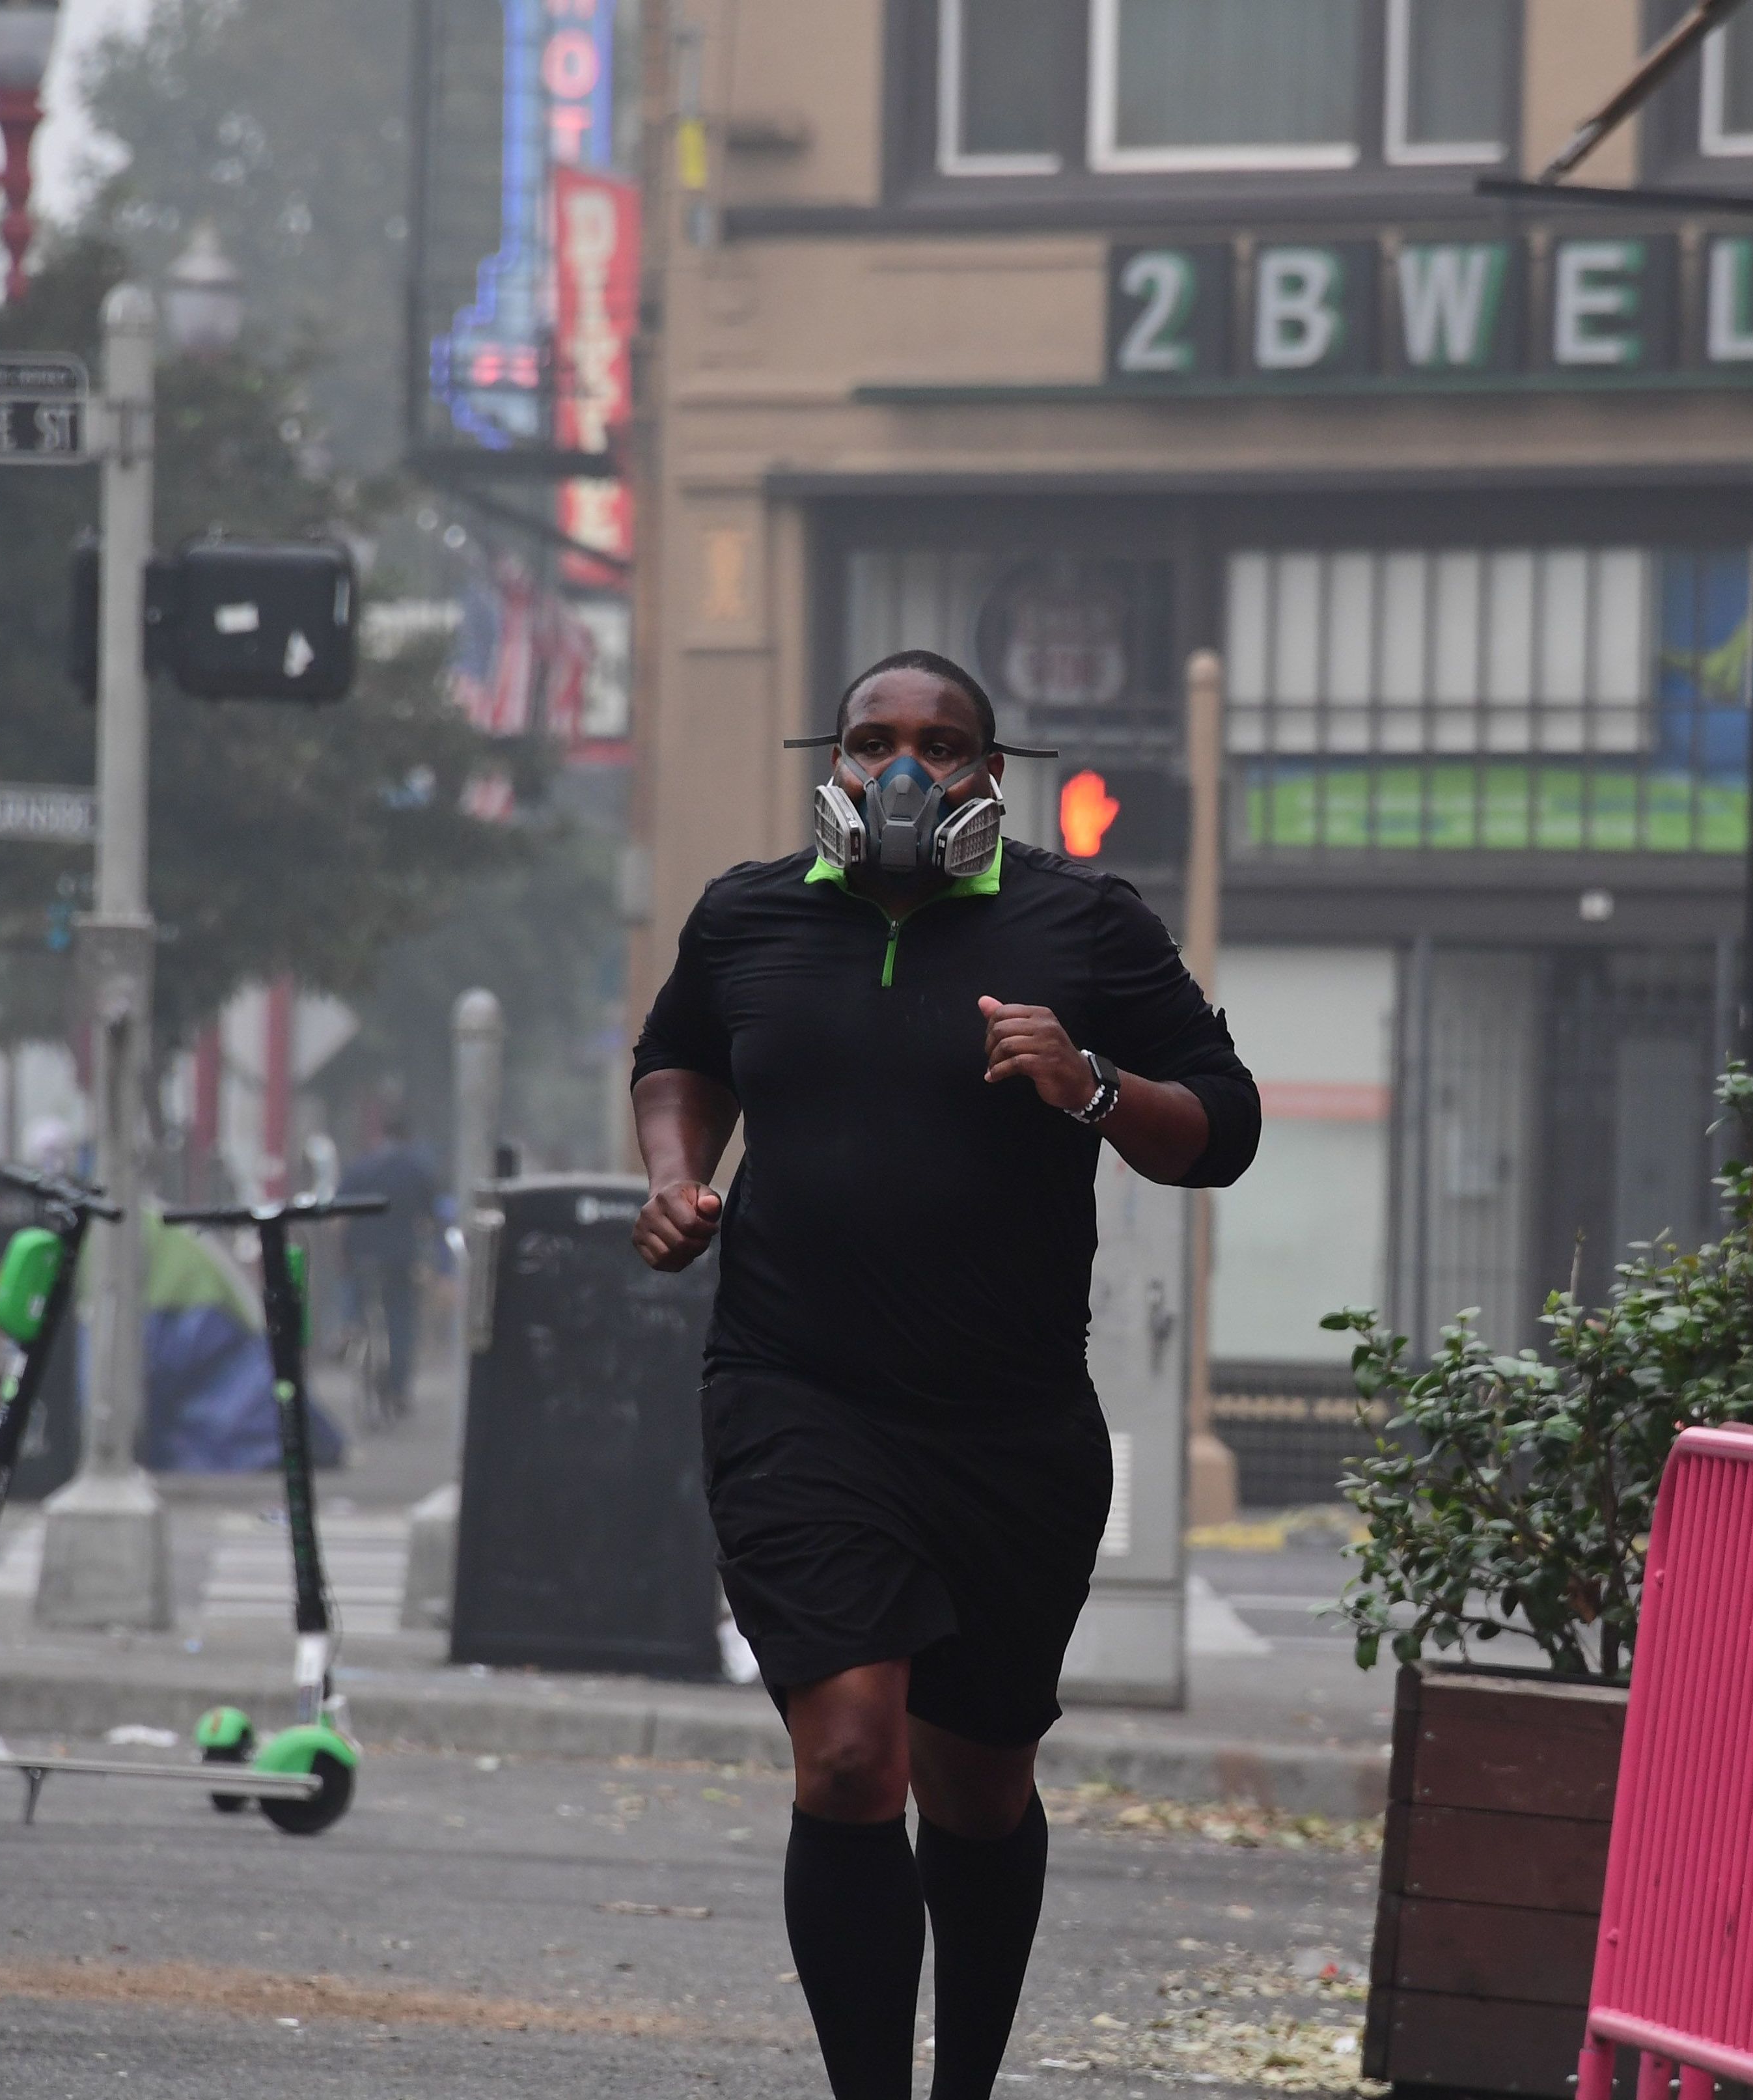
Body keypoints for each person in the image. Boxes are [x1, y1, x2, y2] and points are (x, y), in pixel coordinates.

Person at [629, 650, 1258, 2100]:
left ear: (991, 767)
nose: (902, 768)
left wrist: (1091, 1082)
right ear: (831, 761)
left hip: (1008, 1422)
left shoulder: (1081, 919)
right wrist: (675, 1175)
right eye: (871, 740)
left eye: (941, 742)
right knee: (852, 1753)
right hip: (796, 1391)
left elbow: (1219, 1124)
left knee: (976, 1787)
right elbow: (677, 1056)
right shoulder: (748, 910)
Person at [338, 1111, 441, 1420]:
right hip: (401, 1258)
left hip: (362, 1255)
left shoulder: (361, 1166)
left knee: (360, 1305)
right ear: (408, 1138)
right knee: (400, 1321)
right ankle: (397, 1389)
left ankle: (352, 1336)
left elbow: (340, 1217)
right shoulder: (417, 1169)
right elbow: (429, 1219)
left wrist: (341, 1254)